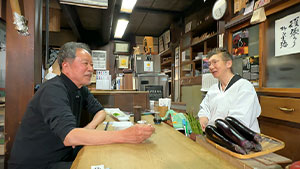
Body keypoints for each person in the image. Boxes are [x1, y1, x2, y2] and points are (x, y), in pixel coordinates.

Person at [8, 42, 155, 169]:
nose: (91, 68)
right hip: (39, 164)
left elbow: (100, 111)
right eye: (85, 63)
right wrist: (125, 135)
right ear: (66, 66)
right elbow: (69, 137)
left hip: (63, 157)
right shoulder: (53, 89)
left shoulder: (80, 89)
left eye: (91, 64)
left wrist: (89, 127)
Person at [198, 48, 261, 133]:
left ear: (228, 63)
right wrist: (203, 119)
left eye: (215, 62)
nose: (211, 67)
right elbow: (205, 109)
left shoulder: (244, 87)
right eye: (209, 64)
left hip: (241, 140)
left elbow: (239, 121)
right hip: (216, 137)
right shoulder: (213, 89)